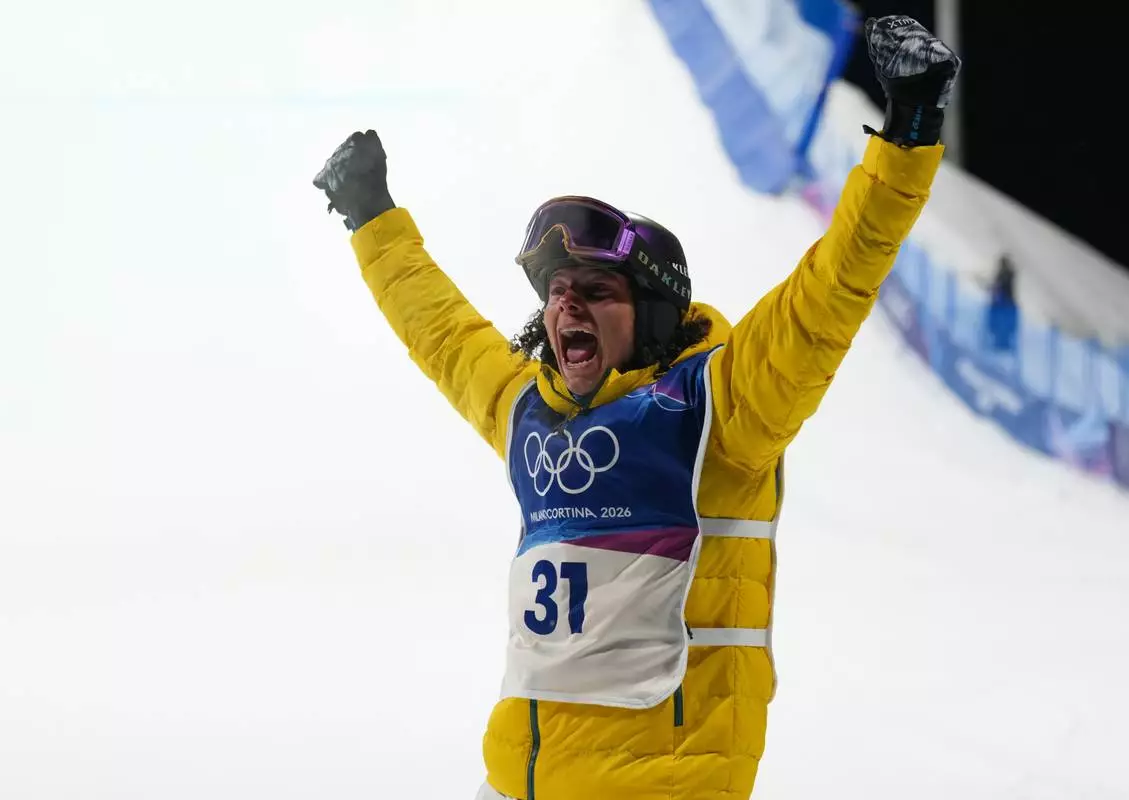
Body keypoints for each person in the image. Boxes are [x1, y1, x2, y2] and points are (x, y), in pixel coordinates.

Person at [313, 14, 959, 800]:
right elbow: (442, 332)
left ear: (651, 313)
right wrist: (371, 217)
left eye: (596, 292)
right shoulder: (530, 410)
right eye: (556, 293)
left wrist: (909, 133)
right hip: (519, 779)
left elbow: (829, 293)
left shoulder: (720, 408)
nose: (567, 309)